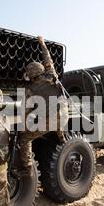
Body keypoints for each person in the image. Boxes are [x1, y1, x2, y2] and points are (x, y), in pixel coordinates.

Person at [20, 36, 68, 182]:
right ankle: (61, 137)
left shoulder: (30, 89)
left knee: (25, 138)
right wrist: (42, 43)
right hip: (64, 116)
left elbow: (26, 111)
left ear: (30, 75)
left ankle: (27, 168)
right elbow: (47, 57)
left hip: (50, 121)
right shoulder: (51, 74)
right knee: (57, 116)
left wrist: (26, 125)